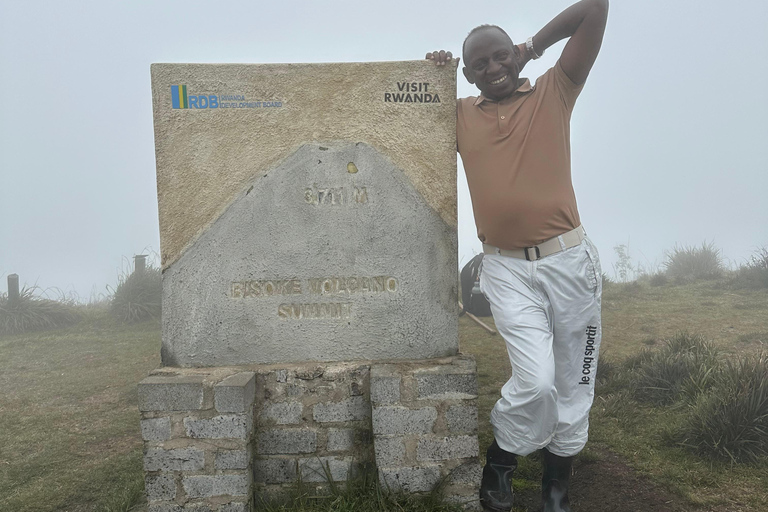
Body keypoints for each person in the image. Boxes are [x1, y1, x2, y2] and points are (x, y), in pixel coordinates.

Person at [427, 1, 609, 511]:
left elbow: (595, 9)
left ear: (514, 55)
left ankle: (556, 485)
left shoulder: (555, 89)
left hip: (571, 263)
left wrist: (534, 48)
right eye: (480, 64)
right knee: (536, 379)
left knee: (575, 379)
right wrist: (431, 75)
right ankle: (501, 461)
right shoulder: (459, 115)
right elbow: (403, 109)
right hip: (505, 269)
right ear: (468, 73)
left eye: (501, 56)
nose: (494, 69)